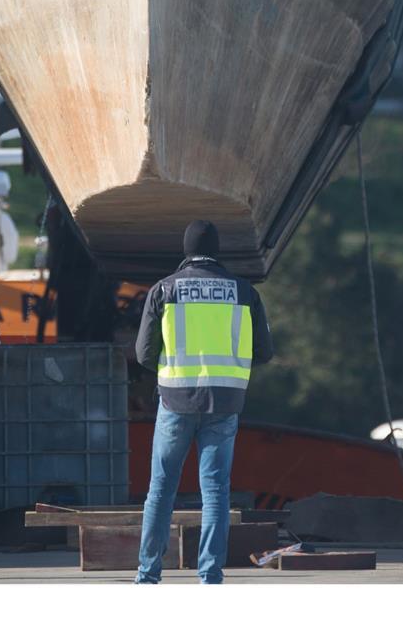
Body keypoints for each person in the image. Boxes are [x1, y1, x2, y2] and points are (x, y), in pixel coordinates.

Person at [133, 220, 274, 584]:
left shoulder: (164, 290)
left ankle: (148, 574)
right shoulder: (244, 292)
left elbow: (144, 353)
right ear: (217, 251)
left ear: (185, 249)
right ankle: (210, 575)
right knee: (215, 492)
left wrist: (171, 371)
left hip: (176, 400)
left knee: (160, 489)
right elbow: (264, 352)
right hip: (225, 402)